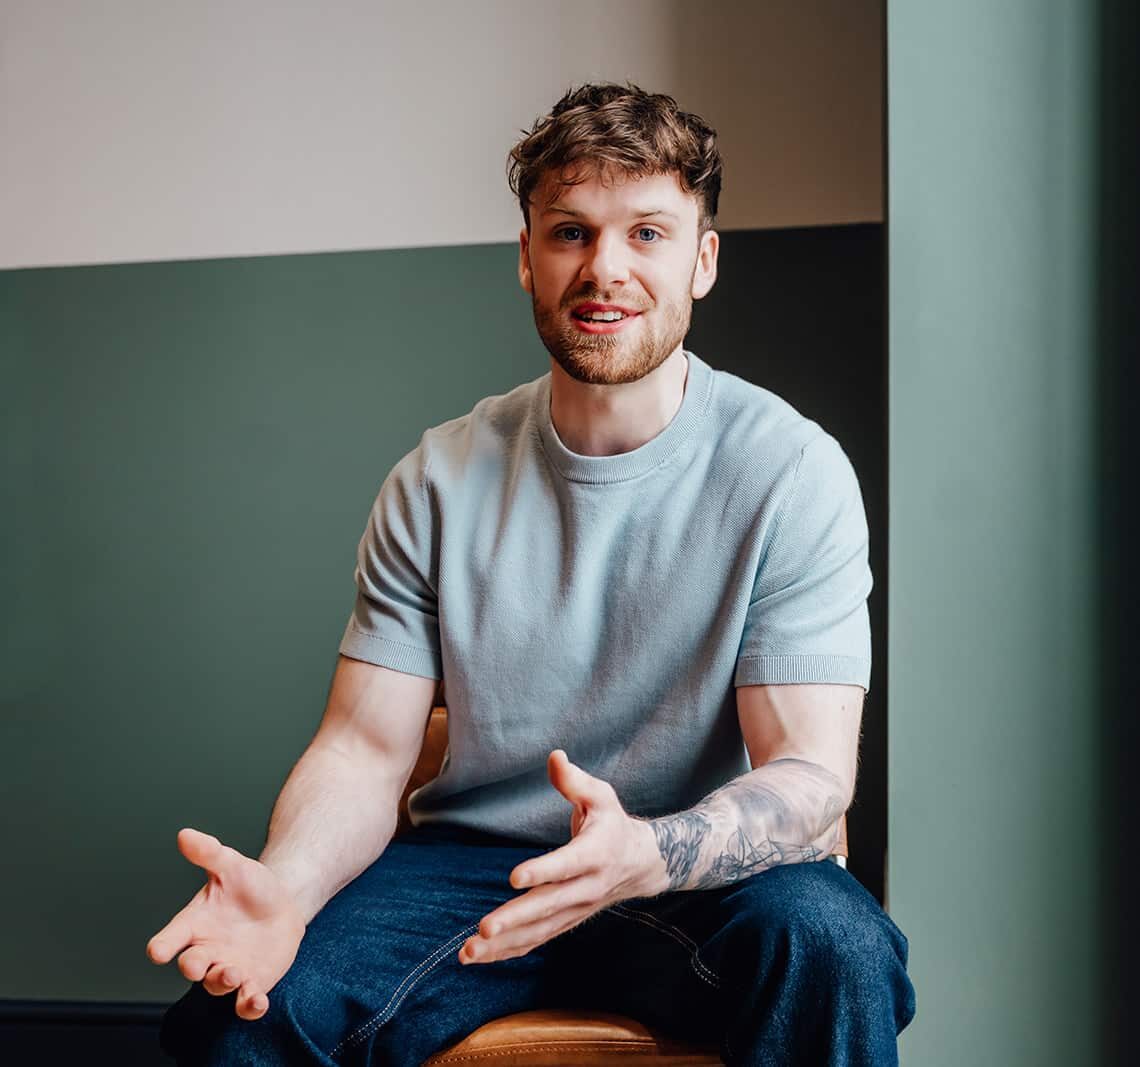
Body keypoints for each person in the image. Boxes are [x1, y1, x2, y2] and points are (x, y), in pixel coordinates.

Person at [149, 81, 916, 1065]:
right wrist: (288, 887)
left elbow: (809, 775)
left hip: (701, 872)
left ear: (703, 259)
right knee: (244, 1012)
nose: (606, 269)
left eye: (647, 233)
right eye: (570, 232)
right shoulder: (436, 477)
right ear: (527, 257)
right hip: (476, 867)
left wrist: (647, 852)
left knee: (834, 944)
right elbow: (362, 751)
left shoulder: (791, 470)